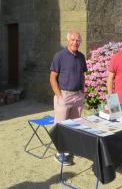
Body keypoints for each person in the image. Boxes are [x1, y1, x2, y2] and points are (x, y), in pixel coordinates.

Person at [49, 30, 87, 165]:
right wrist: (59, 96)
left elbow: (82, 75)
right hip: (64, 95)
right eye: (73, 40)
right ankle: (59, 153)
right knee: (61, 125)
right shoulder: (59, 56)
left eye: (78, 40)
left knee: (74, 125)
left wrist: (82, 92)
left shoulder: (81, 57)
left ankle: (70, 149)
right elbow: (52, 77)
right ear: (68, 40)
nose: (75, 43)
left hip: (77, 96)